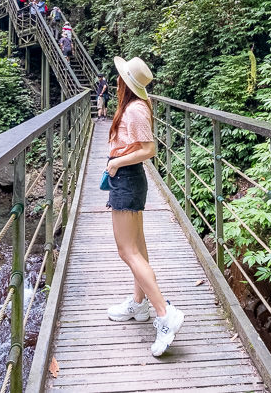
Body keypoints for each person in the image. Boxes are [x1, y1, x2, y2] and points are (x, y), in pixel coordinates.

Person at [104, 56, 184, 357]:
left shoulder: (135, 109)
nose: (116, 80)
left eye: (119, 77)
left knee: (127, 250)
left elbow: (149, 149)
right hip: (127, 178)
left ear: (126, 82)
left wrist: (116, 162)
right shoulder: (133, 106)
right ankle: (139, 306)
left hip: (125, 178)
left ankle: (164, 314)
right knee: (137, 245)